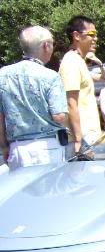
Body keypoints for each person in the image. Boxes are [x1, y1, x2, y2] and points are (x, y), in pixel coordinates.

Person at [0, 26, 69, 169]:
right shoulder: (50, 76)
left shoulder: (3, 75)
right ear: (46, 46)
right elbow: (59, 116)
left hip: (17, 149)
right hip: (48, 148)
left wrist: (4, 146)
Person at [59, 15, 105, 155]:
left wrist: (99, 63)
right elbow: (71, 103)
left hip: (90, 135)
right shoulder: (71, 62)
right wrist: (78, 139)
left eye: (96, 35)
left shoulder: (79, 60)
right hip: (83, 138)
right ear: (76, 36)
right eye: (91, 34)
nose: (95, 38)